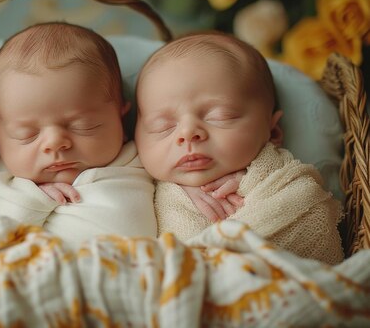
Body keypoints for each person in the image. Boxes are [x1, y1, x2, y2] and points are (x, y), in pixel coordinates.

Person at [134, 31, 344, 264]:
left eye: (220, 116)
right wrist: (178, 190)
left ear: (273, 132)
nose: (187, 133)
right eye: (163, 126)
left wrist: (252, 181)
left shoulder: (281, 181)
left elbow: (308, 201)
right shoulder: (135, 181)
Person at [0, 22, 158, 247]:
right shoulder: (3, 178)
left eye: (83, 126)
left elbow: (178, 183)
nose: (55, 144)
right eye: (27, 134)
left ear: (120, 117)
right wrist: (35, 197)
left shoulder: (145, 156)